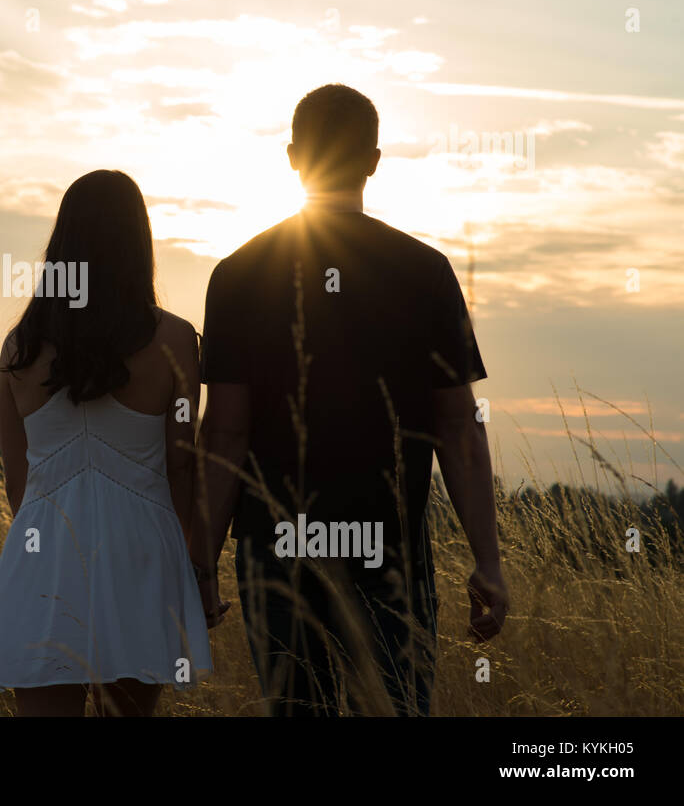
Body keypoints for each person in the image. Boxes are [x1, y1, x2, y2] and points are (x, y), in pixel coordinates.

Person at [192, 84, 509, 716]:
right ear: (373, 159)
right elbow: (458, 430)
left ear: (291, 157)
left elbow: (225, 433)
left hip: (279, 552)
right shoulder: (425, 271)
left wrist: (199, 562)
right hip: (389, 551)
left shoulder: (238, 274)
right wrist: (488, 563)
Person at [0, 169, 218, 716]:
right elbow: (182, 467)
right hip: (141, 549)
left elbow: (18, 482)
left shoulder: (19, 347)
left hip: (44, 551)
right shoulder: (176, 339)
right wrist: (190, 566)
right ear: (138, 241)